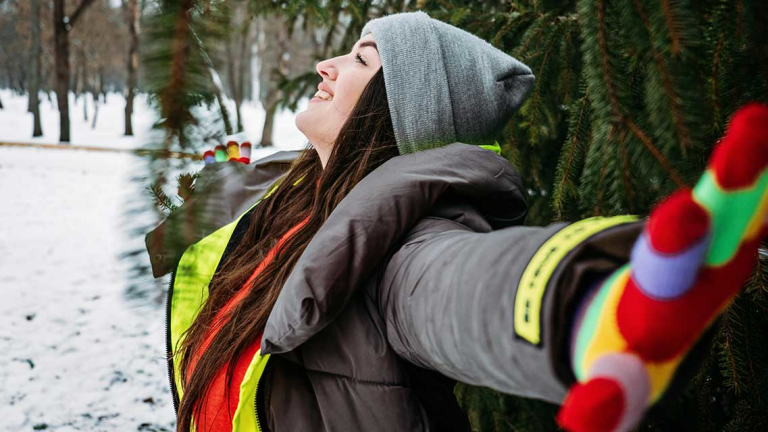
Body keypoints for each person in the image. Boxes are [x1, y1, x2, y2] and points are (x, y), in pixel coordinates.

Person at [144, 10, 768, 432]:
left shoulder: (399, 245)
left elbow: (459, 286)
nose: (326, 66)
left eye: (362, 61)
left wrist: (584, 299)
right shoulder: (291, 193)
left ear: (401, 113)